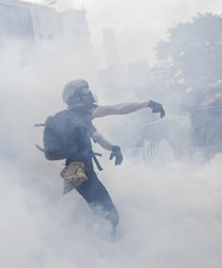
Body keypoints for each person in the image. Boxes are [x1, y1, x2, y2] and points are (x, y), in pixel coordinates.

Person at [54, 79, 165, 239]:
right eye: (85, 91)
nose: (89, 94)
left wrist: (113, 147)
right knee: (108, 214)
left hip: (76, 169)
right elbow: (118, 108)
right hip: (78, 170)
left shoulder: (76, 117)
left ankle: (94, 244)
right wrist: (147, 103)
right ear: (75, 96)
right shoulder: (80, 113)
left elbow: (97, 136)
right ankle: (102, 249)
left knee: (97, 211)